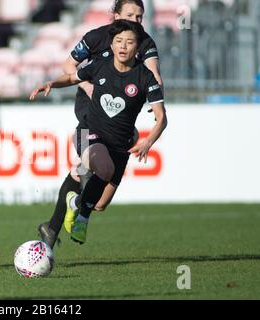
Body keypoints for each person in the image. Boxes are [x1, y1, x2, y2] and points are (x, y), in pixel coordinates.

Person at [37, 0, 163, 249]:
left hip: (121, 122)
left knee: (101, 201)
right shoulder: (96, 38)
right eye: (130, 15)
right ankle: (67, 218)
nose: (136, 21)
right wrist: (88, 86)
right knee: (97, 162)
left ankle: (53, 224)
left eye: (140, 16)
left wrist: (156, 94)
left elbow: (153, 72)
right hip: (90, 111)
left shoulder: (144, 41)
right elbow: (69, 66)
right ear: (115, 15)